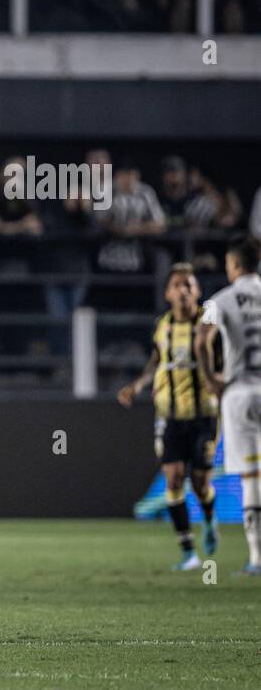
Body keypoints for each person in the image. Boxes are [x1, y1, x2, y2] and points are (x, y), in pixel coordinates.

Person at [118, 264, 219, 569]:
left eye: (189, 284)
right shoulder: (162, 326)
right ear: (168, 293)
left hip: (204, 414)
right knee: (174, 478)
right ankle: (188, 552)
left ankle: (210, 521)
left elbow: (226, 358)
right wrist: (136, 386)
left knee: (200, 483)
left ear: (197, 291)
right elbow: (156, 361)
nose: (184, 290)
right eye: (177, 285)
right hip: (170, 416)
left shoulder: (209, 323)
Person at [195, 237, 261, 576]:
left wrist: (210, 379)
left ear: (234, 265)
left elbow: (200, 336)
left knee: (252, 477)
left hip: (239, 392)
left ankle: (256, 559)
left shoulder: (220, 299)